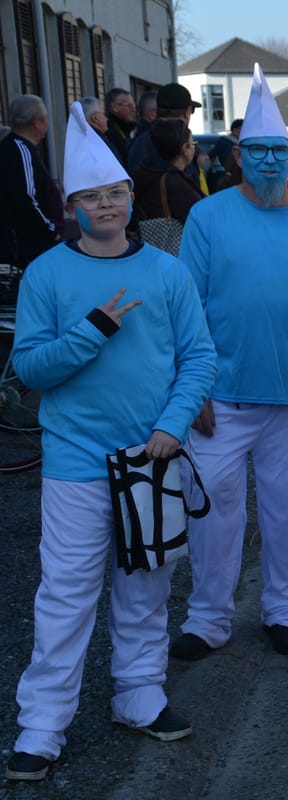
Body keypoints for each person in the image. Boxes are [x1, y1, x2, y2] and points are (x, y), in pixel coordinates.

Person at [4, 101, 215, 783]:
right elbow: (31, 368)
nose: (107, 206)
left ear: (130, 195)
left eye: (116, 193)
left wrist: (170, 427)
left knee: (147, 585)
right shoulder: (46, 275)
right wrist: (93, 328)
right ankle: (42, 725)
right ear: (71, 204)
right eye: (90, 197)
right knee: (66, 593)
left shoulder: (167, 271)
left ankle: (140, 695)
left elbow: (199, 360)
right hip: (73, 462)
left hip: (150, 458)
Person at [168, 64, 288, 661]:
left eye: (281, 151)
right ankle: (209, 617)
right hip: (219, 397)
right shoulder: (207, 217)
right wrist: (188, 390)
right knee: (213, 514)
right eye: (259, 151)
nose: (271, 161)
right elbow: (186, 307)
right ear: (238, 157)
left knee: (286, 511)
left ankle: (282, 609)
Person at [0, 95, 63, 269]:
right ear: (37, 122)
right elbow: (26, 198)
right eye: (46, 118)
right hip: (28, 248)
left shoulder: (12, 148)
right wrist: (51, 230)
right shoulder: (21, 150)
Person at [132, 119, 204, 225]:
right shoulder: (174, 182)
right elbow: (201, 216)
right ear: (185, 148)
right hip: (178, 239)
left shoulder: (148, 172)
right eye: (192, 143)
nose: (194, 148)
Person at [103, 89, 138, 167]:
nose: (133, 110)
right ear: (114, 107)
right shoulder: (109, 132)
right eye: (129, 106)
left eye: (134, 105)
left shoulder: (125, 128)